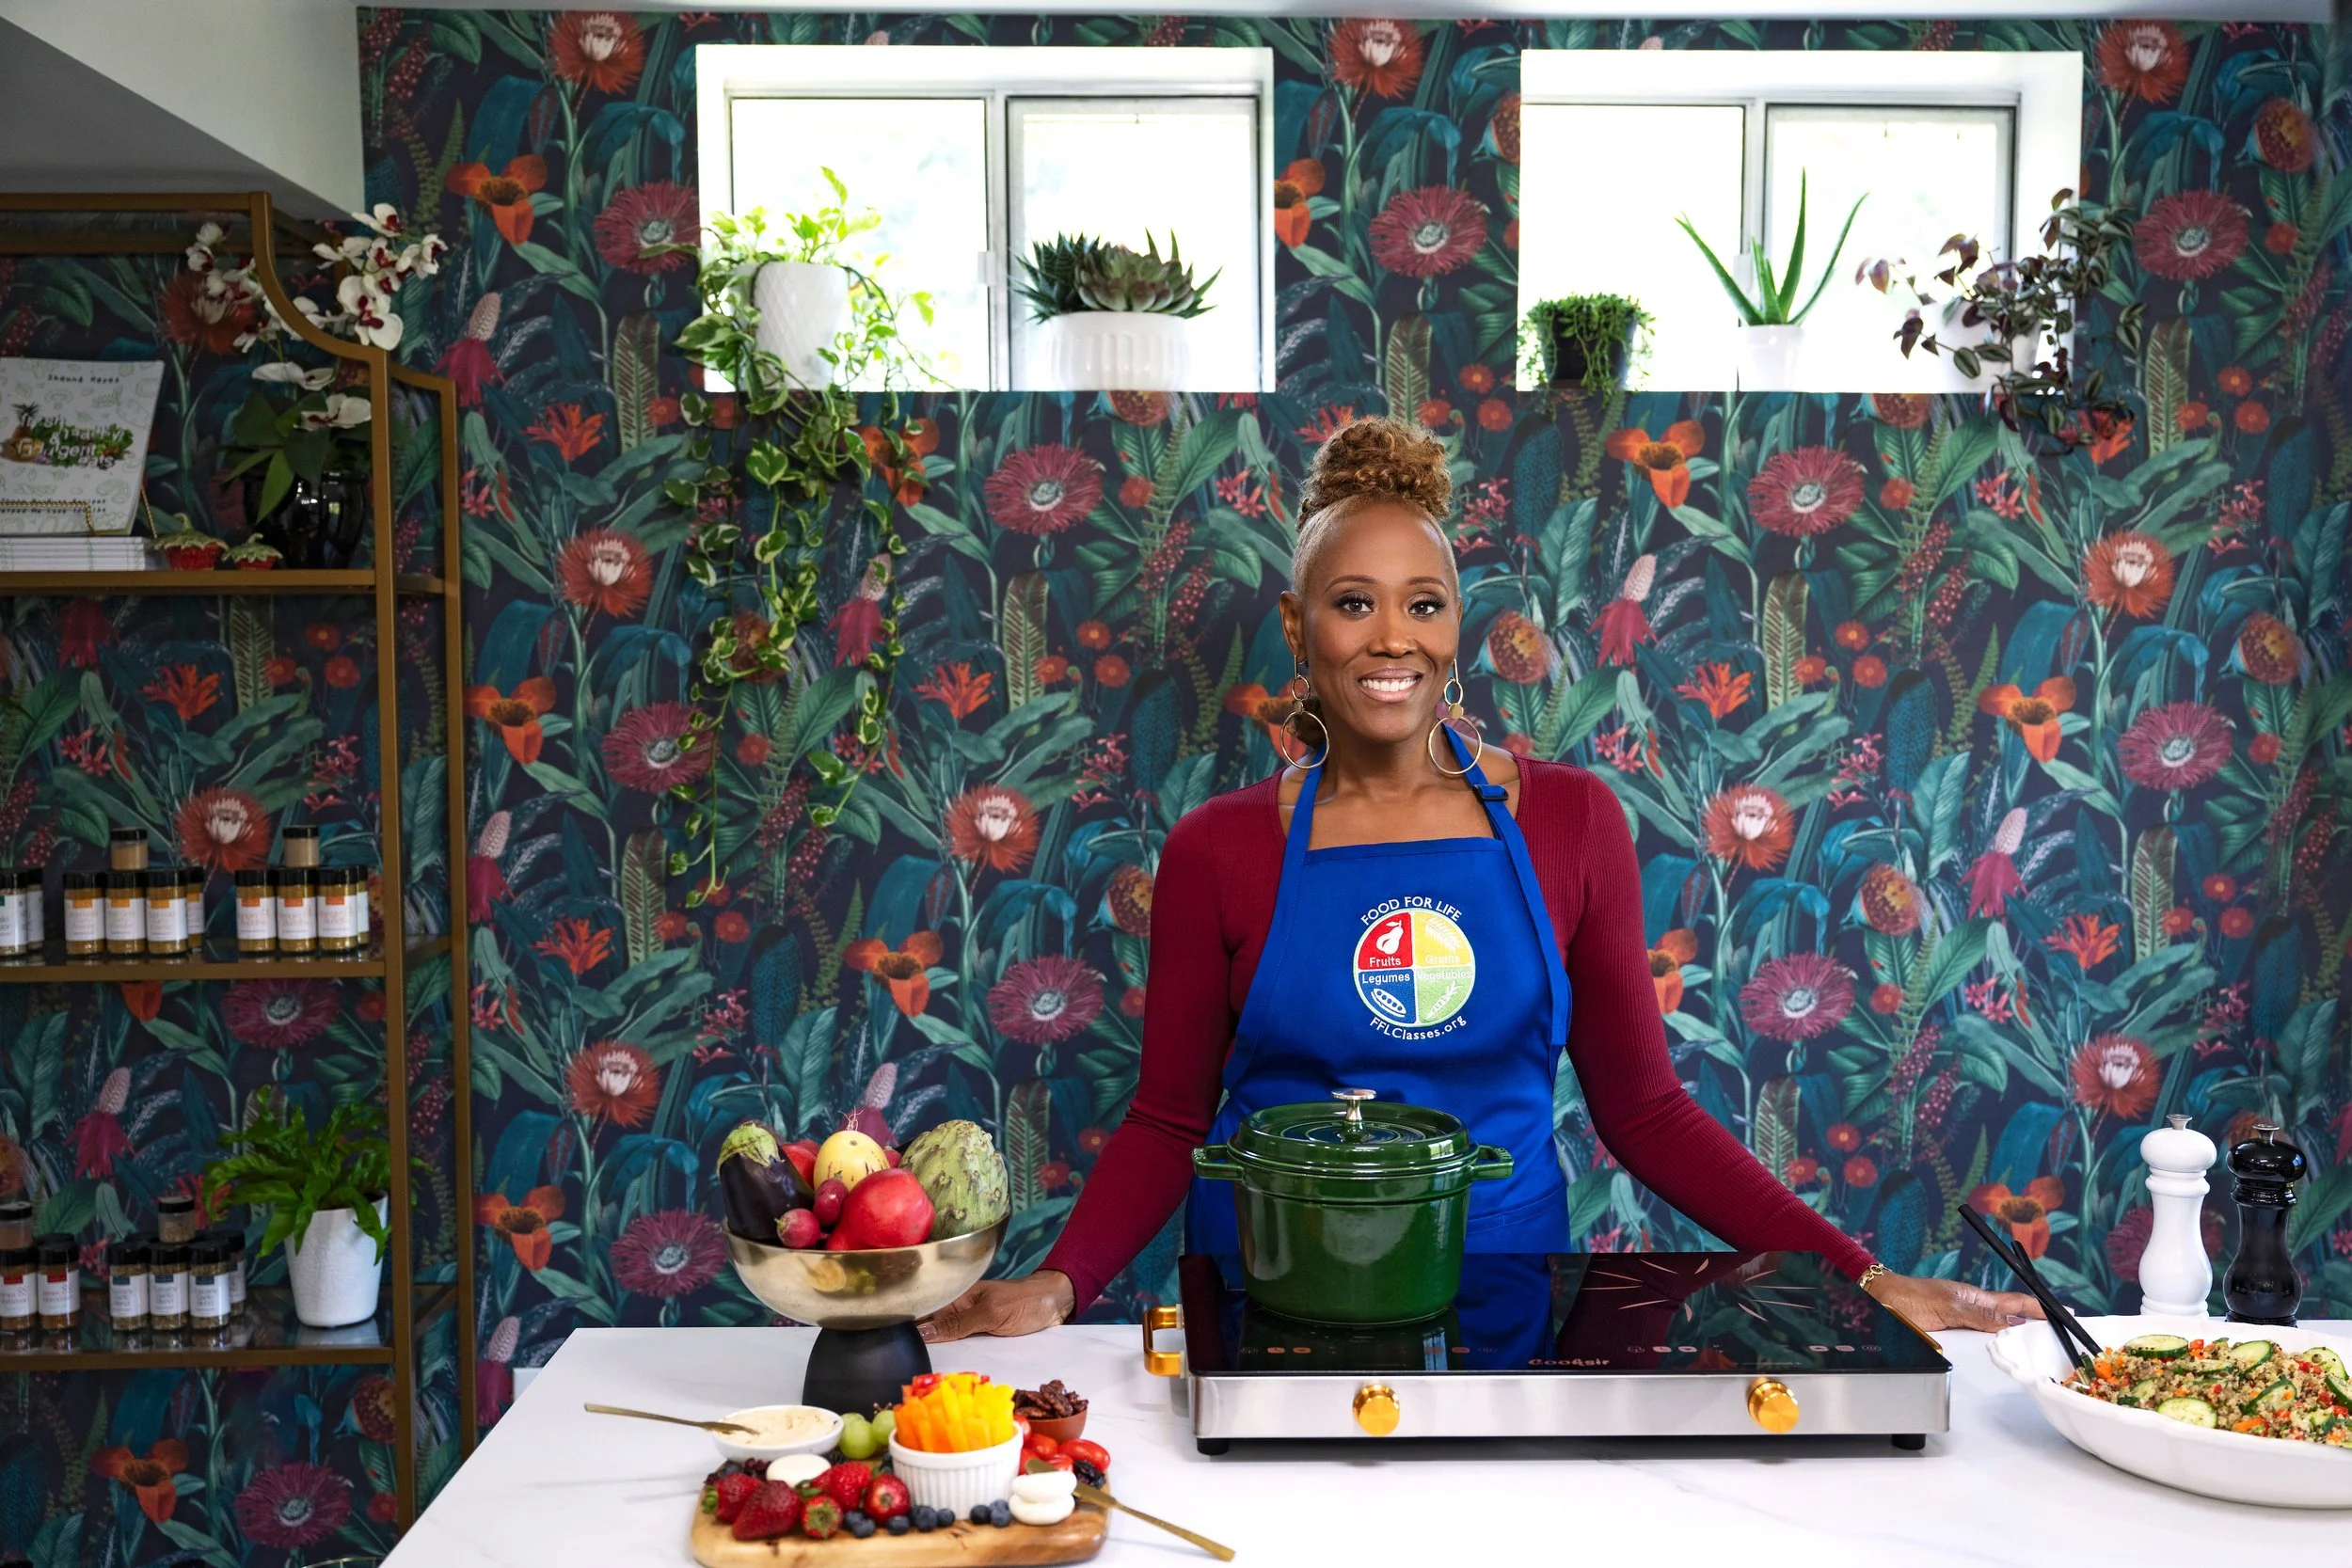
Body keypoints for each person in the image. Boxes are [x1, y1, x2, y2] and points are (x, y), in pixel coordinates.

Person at [923, 417, 2038, 1340]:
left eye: (1423, 602)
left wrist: (1853, 1271)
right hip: (1267, 1297)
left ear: (1456, 624)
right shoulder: (1220, 847)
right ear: (1297, 628)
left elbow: (1644, 1108)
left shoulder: (1569, 819)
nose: (1389, 637)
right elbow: (1169, 1117)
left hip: (1503, 1290)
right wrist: (1056, 1282)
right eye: (1352, 601)